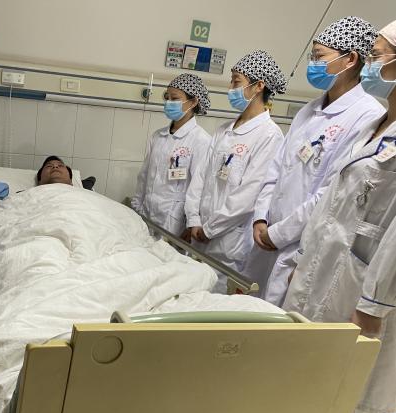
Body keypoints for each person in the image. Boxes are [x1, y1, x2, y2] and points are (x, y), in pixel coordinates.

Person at [282, 21, 396, 413]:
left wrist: (373, 306)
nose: (369, 64)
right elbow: (331, 203)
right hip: (324, 274)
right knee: (308, 396)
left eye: (377, 55)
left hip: (366, 299)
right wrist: (301, 258)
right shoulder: (373, 124)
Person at [243, 17, 385, 306]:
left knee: (279, 323)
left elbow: (331, 193)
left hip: (301, 245)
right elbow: (276, 168)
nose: (313, 64)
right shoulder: (308, 110)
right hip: (266, 235)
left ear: (350, 59)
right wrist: (260, 218)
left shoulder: (366, 115)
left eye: (319, 56)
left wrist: (278, 234)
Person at [185, 50, 286, 292]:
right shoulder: (223, 130)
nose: (231, 88)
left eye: (236, 82)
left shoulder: (269, 135)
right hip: (200, 235)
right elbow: (200, 176)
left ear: (259, 86)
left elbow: (249, 195)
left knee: (215, 303)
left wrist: (210, 229)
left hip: (228, 244)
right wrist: (194, 219)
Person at [131, 73, 212, 236]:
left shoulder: (201, 140)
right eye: (167, 97)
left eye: (174, 98)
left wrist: (192, 223)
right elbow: (144, 176)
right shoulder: (158, 136)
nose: (168, 102)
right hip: (146, 213)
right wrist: (136, 207)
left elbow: (199, 187)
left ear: (193, 102)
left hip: (174, 220)